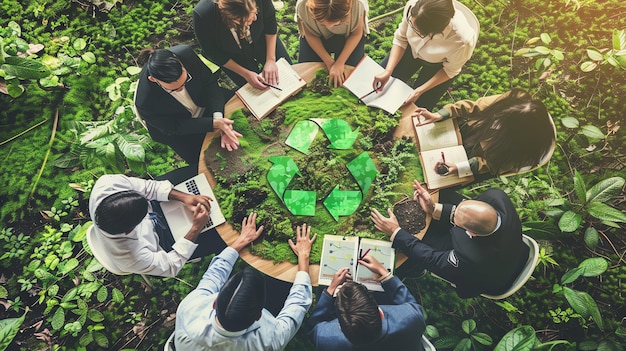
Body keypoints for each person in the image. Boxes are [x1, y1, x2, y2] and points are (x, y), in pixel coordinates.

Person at [174, 216, 317, 350]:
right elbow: (297, 305)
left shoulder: (190, 310)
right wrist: (303, 257)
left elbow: (212, 276)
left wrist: (241, 241)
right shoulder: (270, 341)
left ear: (214, 303)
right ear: (258, 316)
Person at [371, 180, 529, 298]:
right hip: (515, 250)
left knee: (416, 250)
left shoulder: (469, 258)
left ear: (472, 234)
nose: (452, 216)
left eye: (456, 222)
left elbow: (431, 258)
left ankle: (412, 270)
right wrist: (434, 208)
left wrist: (396, 232)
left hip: (489, 278)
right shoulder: (497, 198)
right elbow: (461, 212)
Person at [87, 174, 223, 277]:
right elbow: (171, 265)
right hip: (163, 242)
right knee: (221, 235)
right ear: (130, 231)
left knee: (201, 177)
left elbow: (148, 188)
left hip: (155, 204)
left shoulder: (107, 185)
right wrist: (195, 228)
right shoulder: (131, 257)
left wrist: (185, 197)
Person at [135, 45, 242, 165]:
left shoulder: (186, 55)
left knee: (243, 111)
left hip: (204, 101)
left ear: (182, 65)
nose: (181, 90)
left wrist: (218, 117)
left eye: (185, 81)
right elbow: (172, 127)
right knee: (207, 163)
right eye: (174, 89)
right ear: (153, 79)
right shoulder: (145, 102)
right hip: (182, 129)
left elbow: (209, 83)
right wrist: (212, 124)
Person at [413, 89, 555, 178]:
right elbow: (476, 106)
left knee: (449, 177)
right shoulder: (518, 100)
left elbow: (490, 165)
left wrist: (460, 168)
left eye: (503, 120)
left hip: (490, 153)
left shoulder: (522, 149)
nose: (497, 116)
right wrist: (441, 114)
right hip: (479, 133)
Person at [372, 0, 479, 110]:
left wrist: (420, 91)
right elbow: (401, 39)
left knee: (418, 107)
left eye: (417, 31)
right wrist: (388, 70)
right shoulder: (414, 7)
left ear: (434, 32)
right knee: (378, 86)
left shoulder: (462, 41)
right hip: (409, 49)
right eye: (411, 24)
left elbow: (450, 70)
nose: (412, 28)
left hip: (439, 65)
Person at [308, 256, 426, 350]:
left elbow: (314, 326)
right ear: (380, 313)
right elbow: (410, 303)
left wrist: (330, 290)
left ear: (340, 326)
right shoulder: (410, 319)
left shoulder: (326, 339)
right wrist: (385, 274)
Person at [193, 0, 292, 89]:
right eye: (248, 20)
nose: (255, 18)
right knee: (255, 90)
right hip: (232, 56)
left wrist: (271, 60)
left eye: (255, 11)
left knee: (289, 75)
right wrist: (246, 74)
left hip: (264, 40)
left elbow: (270, 23)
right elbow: (212, 52)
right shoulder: (202, 15)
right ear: (232, 18)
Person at [296, 0, 368, 87]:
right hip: (316, 36)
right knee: (307, 80)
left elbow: (356, 33)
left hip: (350, 36)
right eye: (323, 23)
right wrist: (329, 63)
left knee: (353, 81)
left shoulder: (358, 4)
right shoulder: (303, 5)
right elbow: (311, 35)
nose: (329, 27)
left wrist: (339, 63)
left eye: (336, 24)